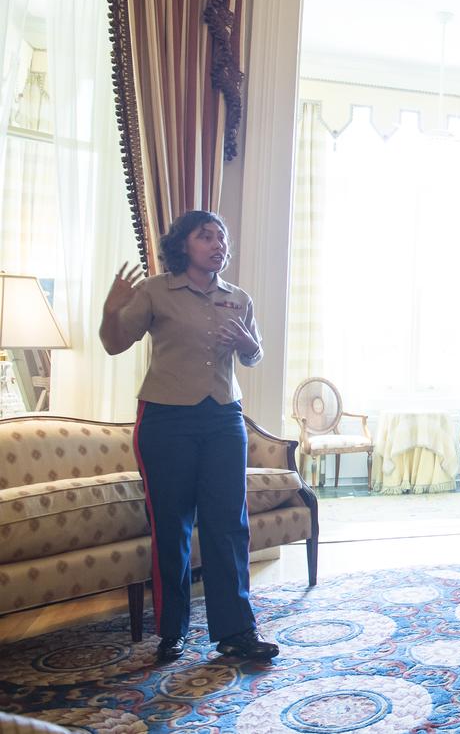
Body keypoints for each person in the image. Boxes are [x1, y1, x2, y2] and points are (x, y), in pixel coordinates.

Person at [100, 210, 279, 663]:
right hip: (166, 420)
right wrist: (110, 310)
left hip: (224, 419)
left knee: (228, 525)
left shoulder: (239, 297)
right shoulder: (154, 291)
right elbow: (114, 343)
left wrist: (249, 346)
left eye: (222, 237)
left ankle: (236, 631)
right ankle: (171, 631)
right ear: (183, 245)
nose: (218, 245)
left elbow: (254, 354)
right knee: (172, 525)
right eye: (206, 236)